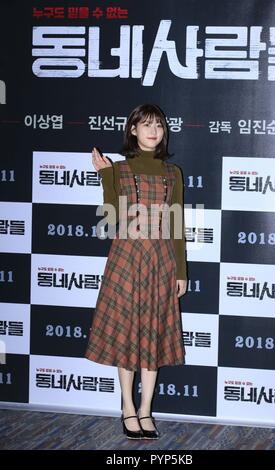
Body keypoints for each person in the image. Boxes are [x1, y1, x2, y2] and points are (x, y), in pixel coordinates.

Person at [85, 103, 188, 440]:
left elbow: (177, 225)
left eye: (158, 124)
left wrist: (181, 271)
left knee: (153, 336)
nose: (153, 130)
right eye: (145, 125)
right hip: (127, 258)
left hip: (161, 261)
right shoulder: (119, 170)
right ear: (132, 130)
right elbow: (113, 217)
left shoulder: (174, 173)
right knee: (129, 335)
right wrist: (105, 176)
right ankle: (127, 408)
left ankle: (146, 410)